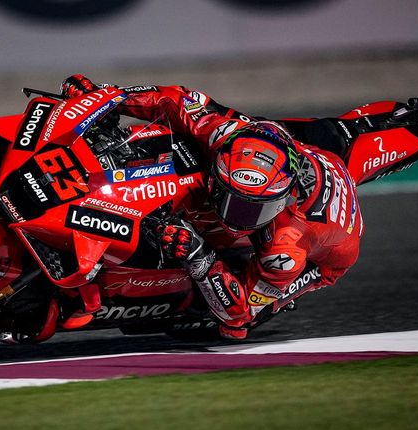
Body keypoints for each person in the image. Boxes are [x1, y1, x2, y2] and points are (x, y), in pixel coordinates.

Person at [59, 74, 363, 340]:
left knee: (241, 317)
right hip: (295, 152)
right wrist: (107, 98)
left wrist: (199, 255)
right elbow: (175, 99)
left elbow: (239, 316)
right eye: (228, 197)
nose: (235, 217)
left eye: (251, 209)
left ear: (280, 200)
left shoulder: (287, 246)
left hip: (321, 258)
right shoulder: (224, 133)